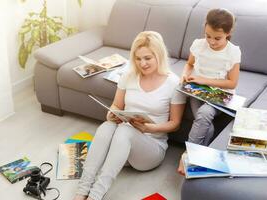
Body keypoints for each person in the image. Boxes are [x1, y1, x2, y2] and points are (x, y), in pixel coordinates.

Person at [73, 31, 186, 200]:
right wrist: (111, 114)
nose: (142, 63)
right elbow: (116, 105)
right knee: (107, 126)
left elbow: (175, 123)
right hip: (120, 149)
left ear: (159, 55)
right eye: (138, 58)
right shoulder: (128, 76)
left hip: (150, 150)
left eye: (148, 58)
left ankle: (95, 196)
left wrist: (150, 127)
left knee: (125, 131)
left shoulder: (173, 83)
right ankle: (82, 191)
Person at [177, 8, 241, 175]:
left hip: (220, 94)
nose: (211, 42)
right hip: (197, 91)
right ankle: (201, 157)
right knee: (208, 128)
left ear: (229, 33)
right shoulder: (198, 45)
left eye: (217, 38)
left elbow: (232, 82)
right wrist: (185, 74)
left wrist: (203, 80)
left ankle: (187, 155)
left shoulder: (233, 52)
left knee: (205, 113)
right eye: (208, 36)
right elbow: (189, 64)